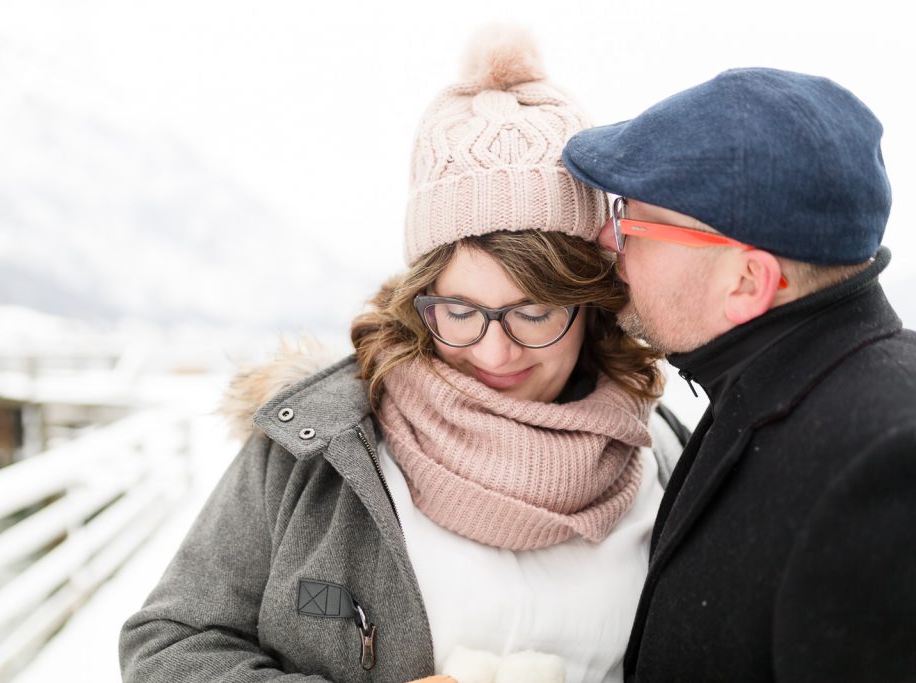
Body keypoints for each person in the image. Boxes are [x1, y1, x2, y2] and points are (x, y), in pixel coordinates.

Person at [119, 28, 686, 683]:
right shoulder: (318, 450)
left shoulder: (664, 460)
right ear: (419, 298)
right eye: (461, 312)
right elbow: (167, 644)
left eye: (535, 312)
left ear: (591, 304)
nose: (495, 349)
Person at [561, 67, 916, 682]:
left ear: (747, 283)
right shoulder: (775, 388)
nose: (604, 237)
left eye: (631, 222)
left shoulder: (886, 469)